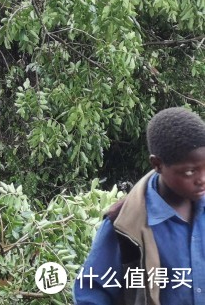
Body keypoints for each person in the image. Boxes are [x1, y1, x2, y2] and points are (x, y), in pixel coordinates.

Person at [74, 106, 205, 304]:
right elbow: (92, 293)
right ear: (157, 164)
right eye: (189, 172)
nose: (202, 179)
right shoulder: (124, 224)